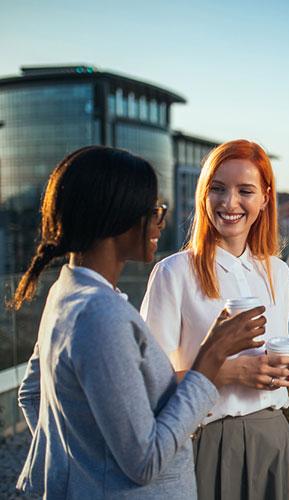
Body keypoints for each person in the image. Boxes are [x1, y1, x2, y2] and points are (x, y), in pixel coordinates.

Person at [13, 146, 266, 499]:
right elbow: (145, 461)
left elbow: (32, 394)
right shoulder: (102, 317)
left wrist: (81, 467)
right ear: (118, 219)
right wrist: (212, 355)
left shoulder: (67, 291)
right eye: (153, 210)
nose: (160, 220)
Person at [140, 139, 289, 500]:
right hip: (208, 442)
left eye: (244, 191)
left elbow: (272, 356)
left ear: (265, 198)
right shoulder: (173, 273)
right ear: (204, 195)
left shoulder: (277, 272)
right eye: (217, 189)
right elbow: (147, 385)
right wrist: (232, 372)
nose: (229, 203)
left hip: (275, 438)